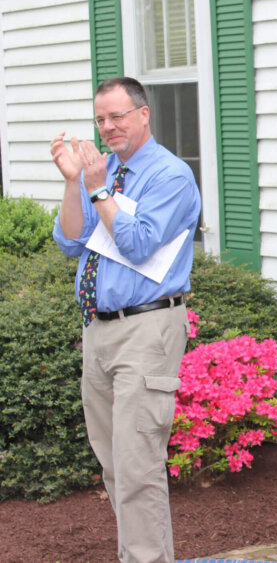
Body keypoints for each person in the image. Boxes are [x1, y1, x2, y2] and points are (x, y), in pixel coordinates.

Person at [51, 76, 202, 563]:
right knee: (116, 466)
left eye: (117, 116)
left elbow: (137, 242)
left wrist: (97, 190)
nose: (108, 127)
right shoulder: (104, 171)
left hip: (146, 330)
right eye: (100, 119)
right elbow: (70, 242)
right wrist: (75, 182)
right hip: (99, 331)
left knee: (139, 467)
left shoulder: (169, 176)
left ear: (143, 114)